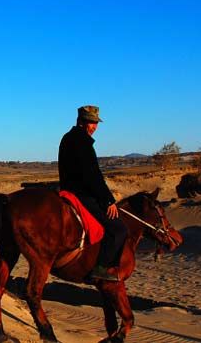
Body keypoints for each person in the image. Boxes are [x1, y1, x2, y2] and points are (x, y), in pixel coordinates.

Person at [58, 105, 127, 281]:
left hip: (69, 190)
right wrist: (108, 201)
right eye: (91, 122)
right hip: (82, 194)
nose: (94, 127)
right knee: (118, 229)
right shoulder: (82, 141)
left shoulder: (67, 138)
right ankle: (100, 269)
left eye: (96, 123)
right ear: (81, 122)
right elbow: (92, 176)